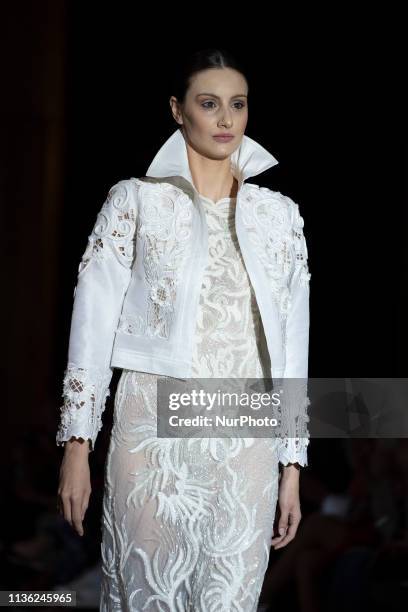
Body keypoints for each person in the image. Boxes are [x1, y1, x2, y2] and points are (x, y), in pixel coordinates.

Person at [56, 47, 312, 611]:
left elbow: (294, 346)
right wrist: (79, 444)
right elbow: (91, 327)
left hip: (245, 437)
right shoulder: (135, 203)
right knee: (146, 597)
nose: (225, 119)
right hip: (151, 435)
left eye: (237, 105)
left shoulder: (280, 217)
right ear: (178, 110)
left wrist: (291, 463)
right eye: (209, 103)